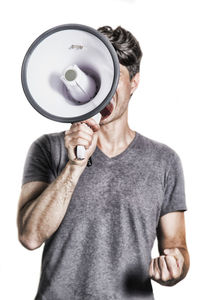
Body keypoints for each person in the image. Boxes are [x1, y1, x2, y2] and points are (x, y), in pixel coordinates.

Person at [17, 26, 190, 300]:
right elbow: (30, 237)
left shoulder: (164, 161)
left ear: (134, 82)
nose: (103, 90)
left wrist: (174, 267)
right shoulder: (48, 149)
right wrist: (73, 166)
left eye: (114, 78)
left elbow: (177, 247)